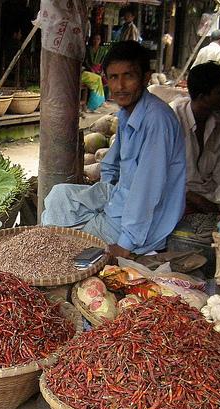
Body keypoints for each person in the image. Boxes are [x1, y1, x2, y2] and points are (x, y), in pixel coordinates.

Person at [42, 41, 186, 257]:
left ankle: (54, 257)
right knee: (58, 196)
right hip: (119, 198)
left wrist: (125, 245)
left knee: (63, 246)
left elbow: (147, 190)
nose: (120, 86)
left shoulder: (156, 120)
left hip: (139, 222)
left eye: (128, 76)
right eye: (114, 77)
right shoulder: (129, 112)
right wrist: (104, 193)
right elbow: (112, 162)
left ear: (146, 78)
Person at [171, 62, 220, 214]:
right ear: (202, 97)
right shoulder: (172, 120)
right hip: (175, 195)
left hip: (207, 197)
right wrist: (196, 199)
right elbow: (160, 174)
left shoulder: (218, 127)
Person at [85, 33, 109, 97]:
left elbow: (104, 62)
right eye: (94, 39)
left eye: (98, 39)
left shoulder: (103, 50)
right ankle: (93, 97)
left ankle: (103, 98)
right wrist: (91, 69)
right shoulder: (88, 49)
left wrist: (101, 71)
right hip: (90, 69)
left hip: (100, 68)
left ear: (100, 40)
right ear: (92, 40)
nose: (96, 41)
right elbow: (86, 61)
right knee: (95, 79)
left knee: (105, 80)